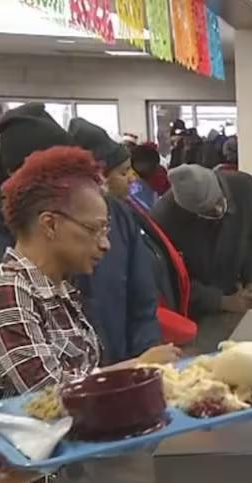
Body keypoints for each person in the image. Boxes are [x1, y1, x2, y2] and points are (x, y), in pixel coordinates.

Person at [0, 146, 179, 483]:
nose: (105, 244)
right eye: (94, 230)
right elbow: (49, 399)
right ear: (50, 224)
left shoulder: (61, 290)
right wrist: (137, 368)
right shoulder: (9, 293)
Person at [0, 105, 162, 365]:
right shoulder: (13, 289)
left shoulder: (114, 214)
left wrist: (144, 365)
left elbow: (142, 299)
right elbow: (47, 386)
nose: (104, 244)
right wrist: (129, 370)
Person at [67, 118, 164, 364]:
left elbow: (142, 295)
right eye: (123, 172)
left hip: (125, 356)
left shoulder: (122, 216)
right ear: (98, 178)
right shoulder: (59, 228)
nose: (132, 179)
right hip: (83, 369)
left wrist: (145, 357)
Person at [151, 164, 252, 318]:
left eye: (219, 203)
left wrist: (251, 282)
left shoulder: (245, 188)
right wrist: (220, 301)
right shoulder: (162, 220)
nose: (218, 211)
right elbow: (170, 280)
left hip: (234, 290)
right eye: (209, 213)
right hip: (195, 310)